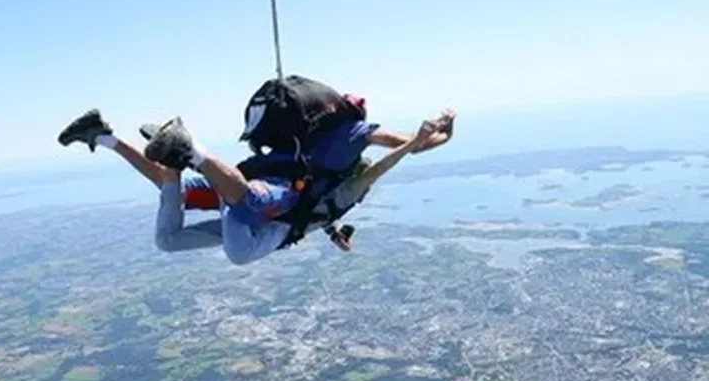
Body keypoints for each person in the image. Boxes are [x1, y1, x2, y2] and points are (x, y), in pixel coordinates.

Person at [57, 100, 455, 265]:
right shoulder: (348, 187)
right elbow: (380, 168)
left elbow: (327, 206)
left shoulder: (330, 182)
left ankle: (105, 136)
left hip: (255, 183)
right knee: (240, 250)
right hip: (270, 209)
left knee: (170, 229)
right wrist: (419, 141)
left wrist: (334, 234)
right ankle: (190, 148)